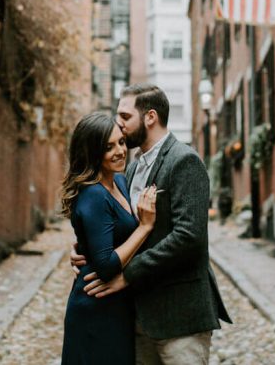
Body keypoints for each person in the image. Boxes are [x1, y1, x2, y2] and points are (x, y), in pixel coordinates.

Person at [74, 84, 231, 364]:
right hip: (139, 317)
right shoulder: (129, 169)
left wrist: (127, 275)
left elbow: (189, 237)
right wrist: (86, 249)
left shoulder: (184, 161)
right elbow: (118, 225)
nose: (118, 125)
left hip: (179, 316)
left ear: (150, 117)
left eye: (124, 116)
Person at [60, 112, 159, 365]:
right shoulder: (94, 194)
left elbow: (106, 235)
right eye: (108, 147)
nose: (119, 151)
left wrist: (81, 246)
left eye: (121, 143)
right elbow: (105, 266)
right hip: (96, 307)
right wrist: (144, 227)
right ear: (92, 153)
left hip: (117, 306)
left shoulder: (119, 181)